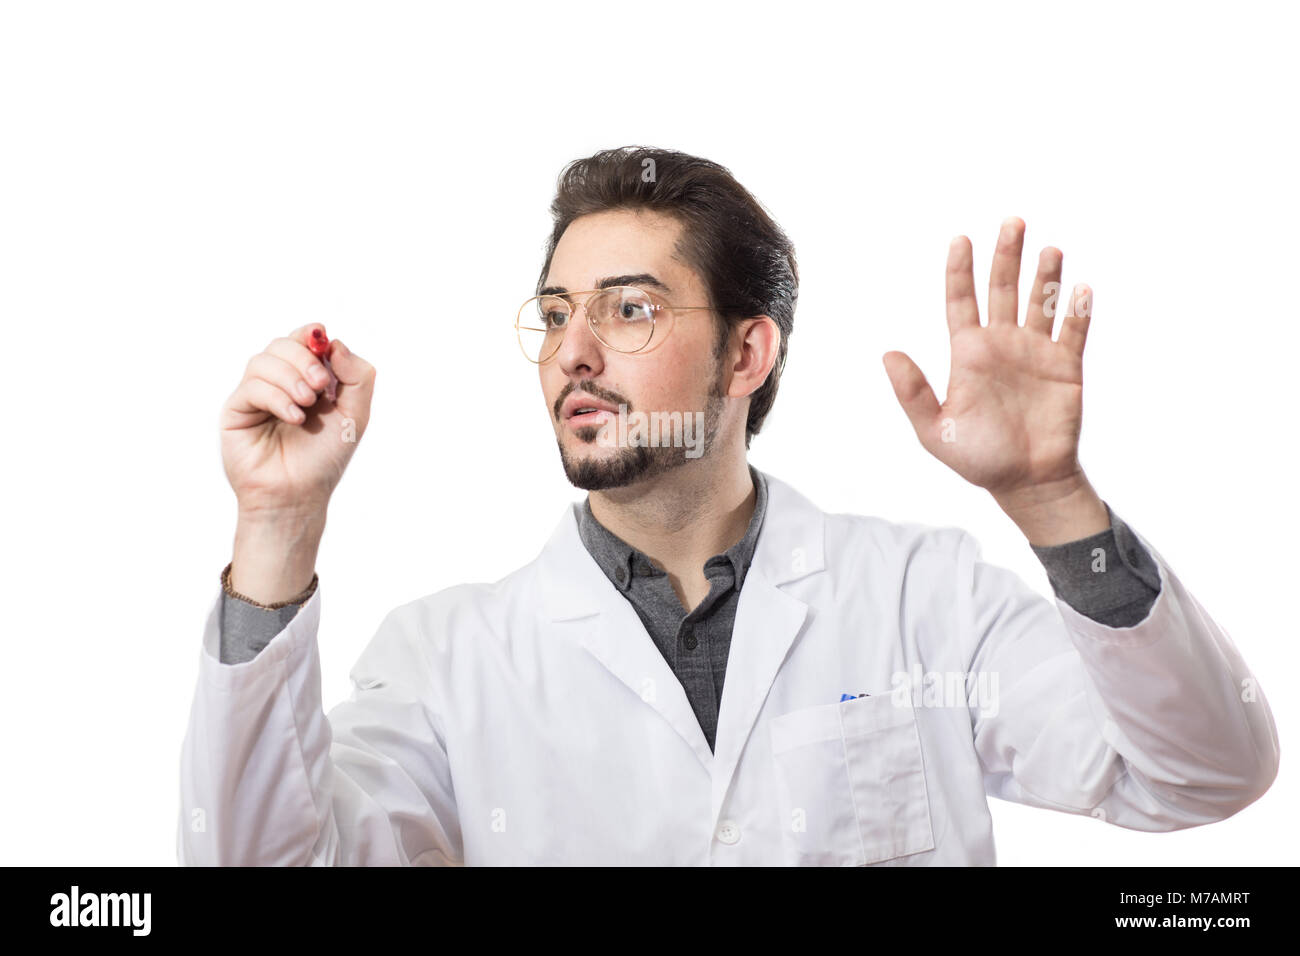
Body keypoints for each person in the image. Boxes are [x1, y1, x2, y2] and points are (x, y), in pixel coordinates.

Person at [177, 146, 1279, 866]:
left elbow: (1202, 771)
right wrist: (277, 523)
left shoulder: (916, 599)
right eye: (556, 312)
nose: (573, 351)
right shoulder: (448, 656)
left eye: (631, 308)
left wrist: (1052, 500)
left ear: (748, 350)